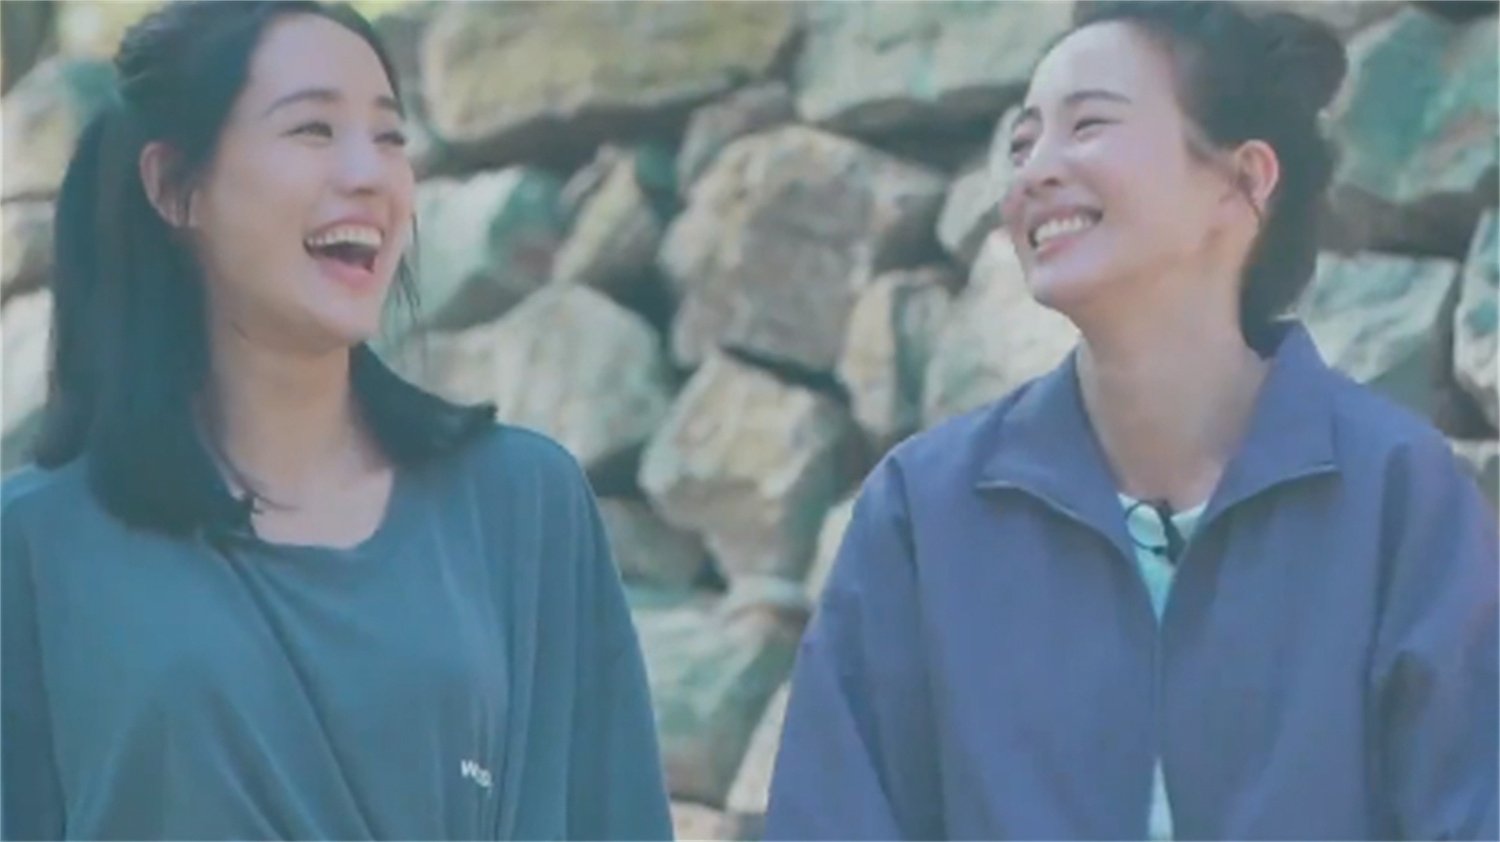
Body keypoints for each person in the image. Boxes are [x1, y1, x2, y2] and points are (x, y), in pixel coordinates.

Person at [764, 2, 1498, 839]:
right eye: (1022, 143)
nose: (1035, 172)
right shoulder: (925, 513)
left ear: (1243, 180)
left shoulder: (1397, 495)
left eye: (1089, 126)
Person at [0, 3, 672, 839]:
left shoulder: (522, 504)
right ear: (174, 186)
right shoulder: (36, 545)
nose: (369, 174)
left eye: (390, 137)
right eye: (313, 129)